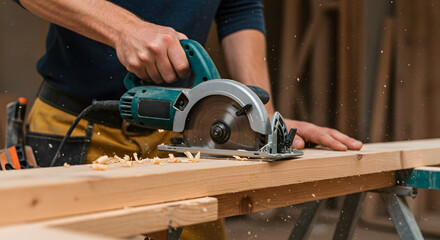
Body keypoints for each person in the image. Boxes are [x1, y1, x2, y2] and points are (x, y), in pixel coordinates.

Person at [11, 0, 363, 239]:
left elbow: (239, 7)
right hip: (76, 127)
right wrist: (124, 29)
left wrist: (262, 123)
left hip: (187, 142)